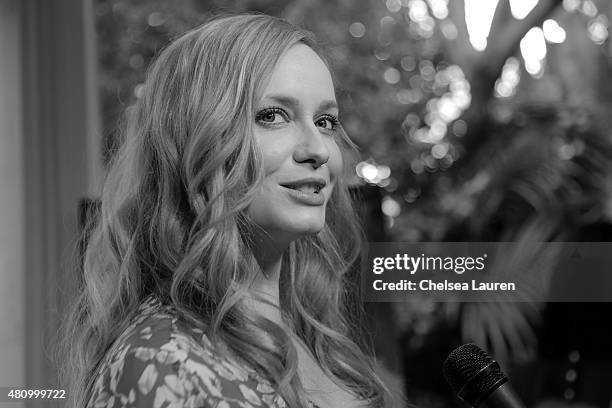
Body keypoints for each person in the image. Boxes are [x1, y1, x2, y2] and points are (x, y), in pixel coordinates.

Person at [58, 13, 391, 408]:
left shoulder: (317, 339)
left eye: (325, 121)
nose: (318, 148)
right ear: (193, 143)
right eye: (272, 116)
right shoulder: (162, 366)